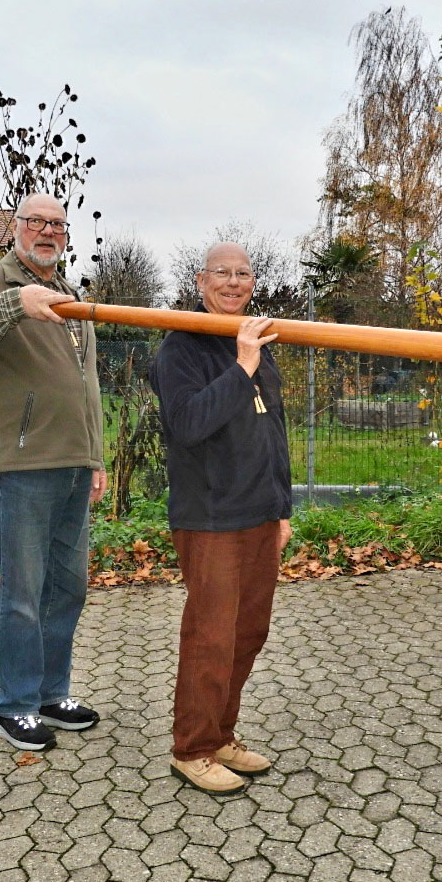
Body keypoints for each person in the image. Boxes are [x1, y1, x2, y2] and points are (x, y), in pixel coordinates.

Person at [0, 194, 106, 753]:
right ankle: (16, 705)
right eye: (37, 222)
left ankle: (53, 694)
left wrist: (97, 456)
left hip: (74, 463)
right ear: (17, 228)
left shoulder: (72, 295)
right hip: (24, 463)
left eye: (57, 224)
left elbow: (87, 386)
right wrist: (14, 304)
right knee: (24, 593)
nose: (48, 232)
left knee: (68, 588)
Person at [150, 242, 292, 795]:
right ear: (200, 280)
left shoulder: (253, 339)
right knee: (210, 637)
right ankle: (192, 749)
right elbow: (188, 424)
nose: (233, 282)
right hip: (211, 516)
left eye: (243, 274)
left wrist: (282, 509)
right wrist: (243, 366)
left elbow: (273, 432)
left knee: (248, 633)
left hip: (260, 513)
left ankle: (221, 735)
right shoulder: (181, 345)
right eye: (222, 273)